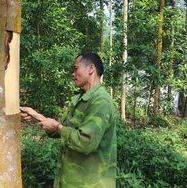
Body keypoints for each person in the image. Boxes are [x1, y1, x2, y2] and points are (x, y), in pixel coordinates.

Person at [20, 52, 117, 188]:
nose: (73, 74)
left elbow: (85, 142)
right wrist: (37, 116)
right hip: (70, 179)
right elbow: (64, 128)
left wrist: (57, 128)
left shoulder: (100, 101)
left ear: (91, 68)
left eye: (76, 69)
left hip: (90, 183)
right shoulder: (82, 98)